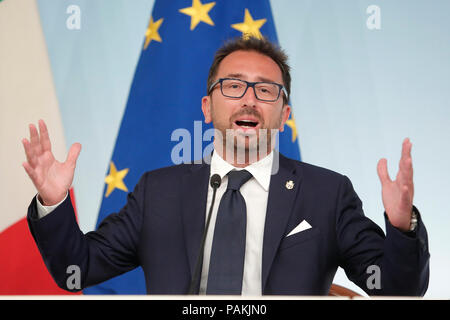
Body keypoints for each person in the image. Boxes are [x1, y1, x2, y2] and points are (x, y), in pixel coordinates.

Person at [22, 37, 429, 296]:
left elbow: (396, 289)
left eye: (265, 90)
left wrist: (401, 227)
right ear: (207, 106)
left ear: (284, 114)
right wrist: (53, 203)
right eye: (233, 86)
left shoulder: (327, 193)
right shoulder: (158, 193)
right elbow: (77, 272)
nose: (249, 99)